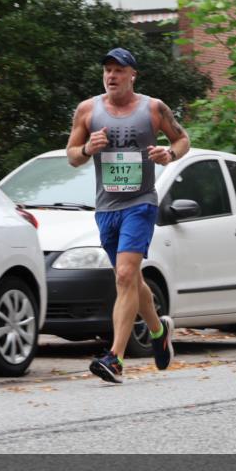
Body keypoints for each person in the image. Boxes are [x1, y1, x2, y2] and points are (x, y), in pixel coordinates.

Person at [66, 47, 190, 382]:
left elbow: (182, 140)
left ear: (132, 75)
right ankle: (158, 331)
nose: (112, 76)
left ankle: (115, 358)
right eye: (107, 70)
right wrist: (87, 148)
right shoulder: (87, 110)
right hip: (106, 209)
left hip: (140, 204)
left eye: (119, 70)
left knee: (123, 275)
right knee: (132, 279)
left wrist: (168, 154)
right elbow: (72, 156)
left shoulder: (153, 108)